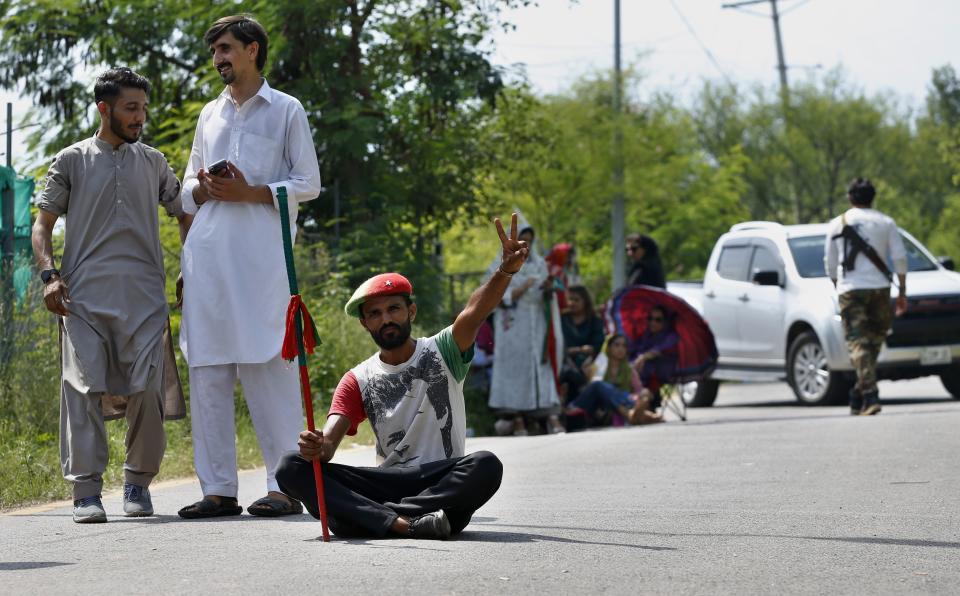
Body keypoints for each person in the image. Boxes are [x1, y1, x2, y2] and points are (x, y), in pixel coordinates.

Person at [274, 214, 528, 540]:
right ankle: (407, 524)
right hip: (386, 482)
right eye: (375, 314)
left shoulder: (443, 351)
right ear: (365, 324)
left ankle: (373, 518)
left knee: (486, 464)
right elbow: (327, 449)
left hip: (439, 481)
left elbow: (474, 311)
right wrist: (314, 446)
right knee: (289, 467)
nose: (386, 319)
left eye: (394, 308)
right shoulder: (357, 378)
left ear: (411, 311)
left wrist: (505, 271)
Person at [177, 15, 323, 519]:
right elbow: (183, 193)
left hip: (263, 260)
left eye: (226, 48)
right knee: (209, 370)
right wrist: (204, 185)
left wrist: (253, 191)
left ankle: (285, 485)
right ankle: (218, 490)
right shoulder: (208, 114)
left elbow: (307, 182)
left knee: (268, 366)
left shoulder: (286, 110)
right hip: (208, 260)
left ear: (253, 49)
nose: (219, 58)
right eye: (215, 50)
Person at [31, 67, 190, 523]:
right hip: (81, 300)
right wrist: (50, 276)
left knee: (145, 389)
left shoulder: (155, 162)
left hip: (144, 299)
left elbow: (184, 213)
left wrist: (188, 268)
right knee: (81, 388)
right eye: (130, 108)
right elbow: (43, 226)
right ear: (105, 109)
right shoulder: (72, 160)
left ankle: (137, 483)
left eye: (142, 107)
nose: (140, 117)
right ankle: (86, 492)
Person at [825, 178, 907, 416]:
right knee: (873, 341)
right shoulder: (886, 222)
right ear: (873, 197)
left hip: (850, 289)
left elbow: (829, 262)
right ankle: (863, 394)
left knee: (859, 343)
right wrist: (902, 291)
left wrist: (836, 285)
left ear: (851, 198)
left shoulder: (837, 223)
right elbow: (900, 258)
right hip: (880, 289)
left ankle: (865, 394)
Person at [487, 224, 564, 435]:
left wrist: (549, 289)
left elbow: (547, 293)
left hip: (537, 323)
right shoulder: (499, 264)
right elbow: (493, 295)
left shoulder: (539, 264)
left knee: (540, 364)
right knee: (515, 367)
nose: (525, 245)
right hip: (512, 326)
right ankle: (517, 416)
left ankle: (549, 414)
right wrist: (523, 287)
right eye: (522, 240)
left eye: (529, 240)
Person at [566, 334, 662, 426]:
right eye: (616, 345)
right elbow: (592, 389)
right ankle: (641, 414)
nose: (621, 349)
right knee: (599, 385)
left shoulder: (629, 370)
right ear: (609, 348)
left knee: (639, 394)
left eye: (624, 346)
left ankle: (634, 414)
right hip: (598, 407)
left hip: (617, 406)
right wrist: (588, 375)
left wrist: (643, 394)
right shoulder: (599, 364)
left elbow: (638, 391)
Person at [558, 285, 605, 402]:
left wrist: (589, 354)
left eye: (576, 300)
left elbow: (598, 344)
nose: (572, 303)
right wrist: (577, 350)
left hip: (588, 361)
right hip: (564, 360)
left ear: (585, 301)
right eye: (570, 299)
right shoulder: (561, 318)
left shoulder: (594, 320)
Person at [630, 305, 680, 409]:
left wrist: (643, 358)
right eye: (650, 319)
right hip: (642, 369)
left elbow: (659, 350)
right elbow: (636, 349)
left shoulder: (671, 336)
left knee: (644, 365)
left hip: (664, 370)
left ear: (665, 321)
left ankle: (644, 401)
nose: (653, 322)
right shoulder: (646, 335)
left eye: (658, 320)